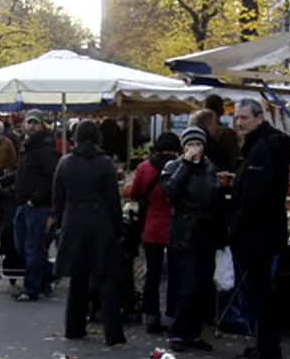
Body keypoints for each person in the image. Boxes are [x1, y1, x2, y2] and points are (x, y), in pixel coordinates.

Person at [230, 98, 290, 359]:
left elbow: (256, 195)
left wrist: (239, 222)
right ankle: (264, 343)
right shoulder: (265, 145)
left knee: (260, 291)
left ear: (258, 118)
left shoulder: (263, 149)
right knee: (261, 290)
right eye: (237, 118)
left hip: (258, 232)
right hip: (265, 229)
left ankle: (266, 346)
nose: (239, 123)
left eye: (244, 117)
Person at [54, 120, 126, 346]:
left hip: (73, 222)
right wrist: (118, 228)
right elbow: (113, 200)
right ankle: (113, 333)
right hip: (100, 223)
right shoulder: (104, 164)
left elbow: (58, 198)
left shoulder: (65, 163)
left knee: (78, 278)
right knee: (106, 278)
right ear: (97, 137)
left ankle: (74, 327)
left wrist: (60, 225)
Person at [162, 126, 224, 352]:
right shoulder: (174, 167)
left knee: (202, 287)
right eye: (190, 145)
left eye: (198, 144)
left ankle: (193, 332)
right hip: (183, 234)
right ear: (183, 147)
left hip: (205, 234)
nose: (194, 149)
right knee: (188, 286)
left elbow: (215, 200)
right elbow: (169, 190)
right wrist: (186, 165)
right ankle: (177, 332)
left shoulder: (211, 169)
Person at [129, 132, 181, 334]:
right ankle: (171, 317)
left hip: (152, 226)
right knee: (175, 276)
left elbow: (134, 193)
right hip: (176, 227)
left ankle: (151, 316)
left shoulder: (144, 167)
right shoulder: (182, 167)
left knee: (152, 274)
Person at [13, 110, 59, 302]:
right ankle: (47, 275)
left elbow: (50, 179)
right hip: (24, 202)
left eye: (35, 123)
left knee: (32, 246)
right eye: (29, 122)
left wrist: (35, 198)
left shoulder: (46, 148)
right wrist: (6, 181)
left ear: (41, 125)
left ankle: (31, 289)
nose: (31, 126)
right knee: (21, 245)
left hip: (37, 206)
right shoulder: (27, 146)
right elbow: (23, 172)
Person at [203, 94, 242, 169]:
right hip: (222, 175)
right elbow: (234, 159)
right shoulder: (227, 133)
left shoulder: (195, 132)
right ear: (222, 110)